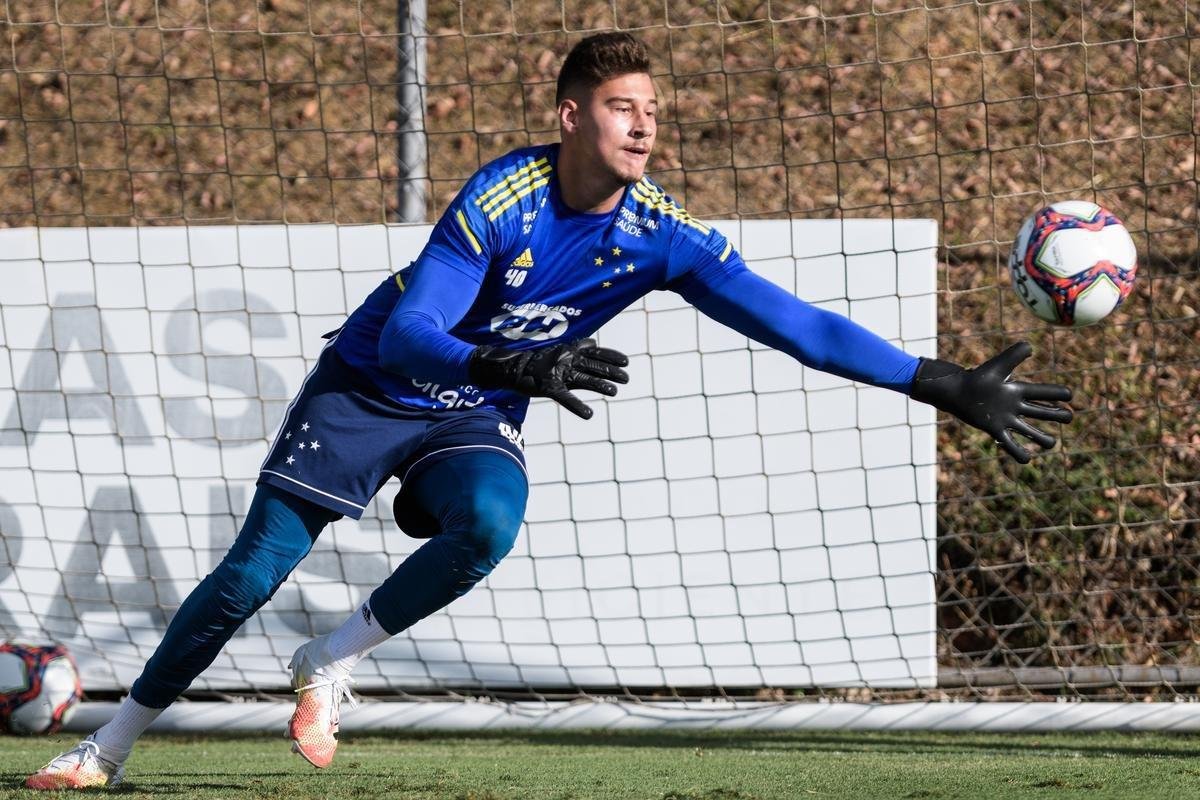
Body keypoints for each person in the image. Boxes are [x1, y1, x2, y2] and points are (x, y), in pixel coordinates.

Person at [26, 32, 1072, 789]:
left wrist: (940, 381)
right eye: (624, 107)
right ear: (571, 115)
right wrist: (515, 363)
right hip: (373, 384)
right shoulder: (500, 196)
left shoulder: (662, 234)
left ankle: (331, 658)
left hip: (478, 402)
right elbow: (405, 334)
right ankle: (104, 745)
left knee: (487, 520)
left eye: (654, 112)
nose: (646, 125)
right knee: (253, 572)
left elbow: (795, 324)